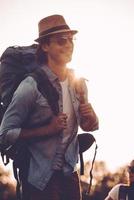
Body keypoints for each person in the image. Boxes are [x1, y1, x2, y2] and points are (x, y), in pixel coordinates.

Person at [0, 14, 99, 200]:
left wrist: (91, 117)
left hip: (70, 175)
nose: (69, 45)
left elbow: (88, 126)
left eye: (71, 39)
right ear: (45, 46)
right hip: (39, 180)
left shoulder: (78, 83)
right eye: (62, 40)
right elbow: (4, 135)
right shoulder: (30, 86)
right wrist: (48, 129)